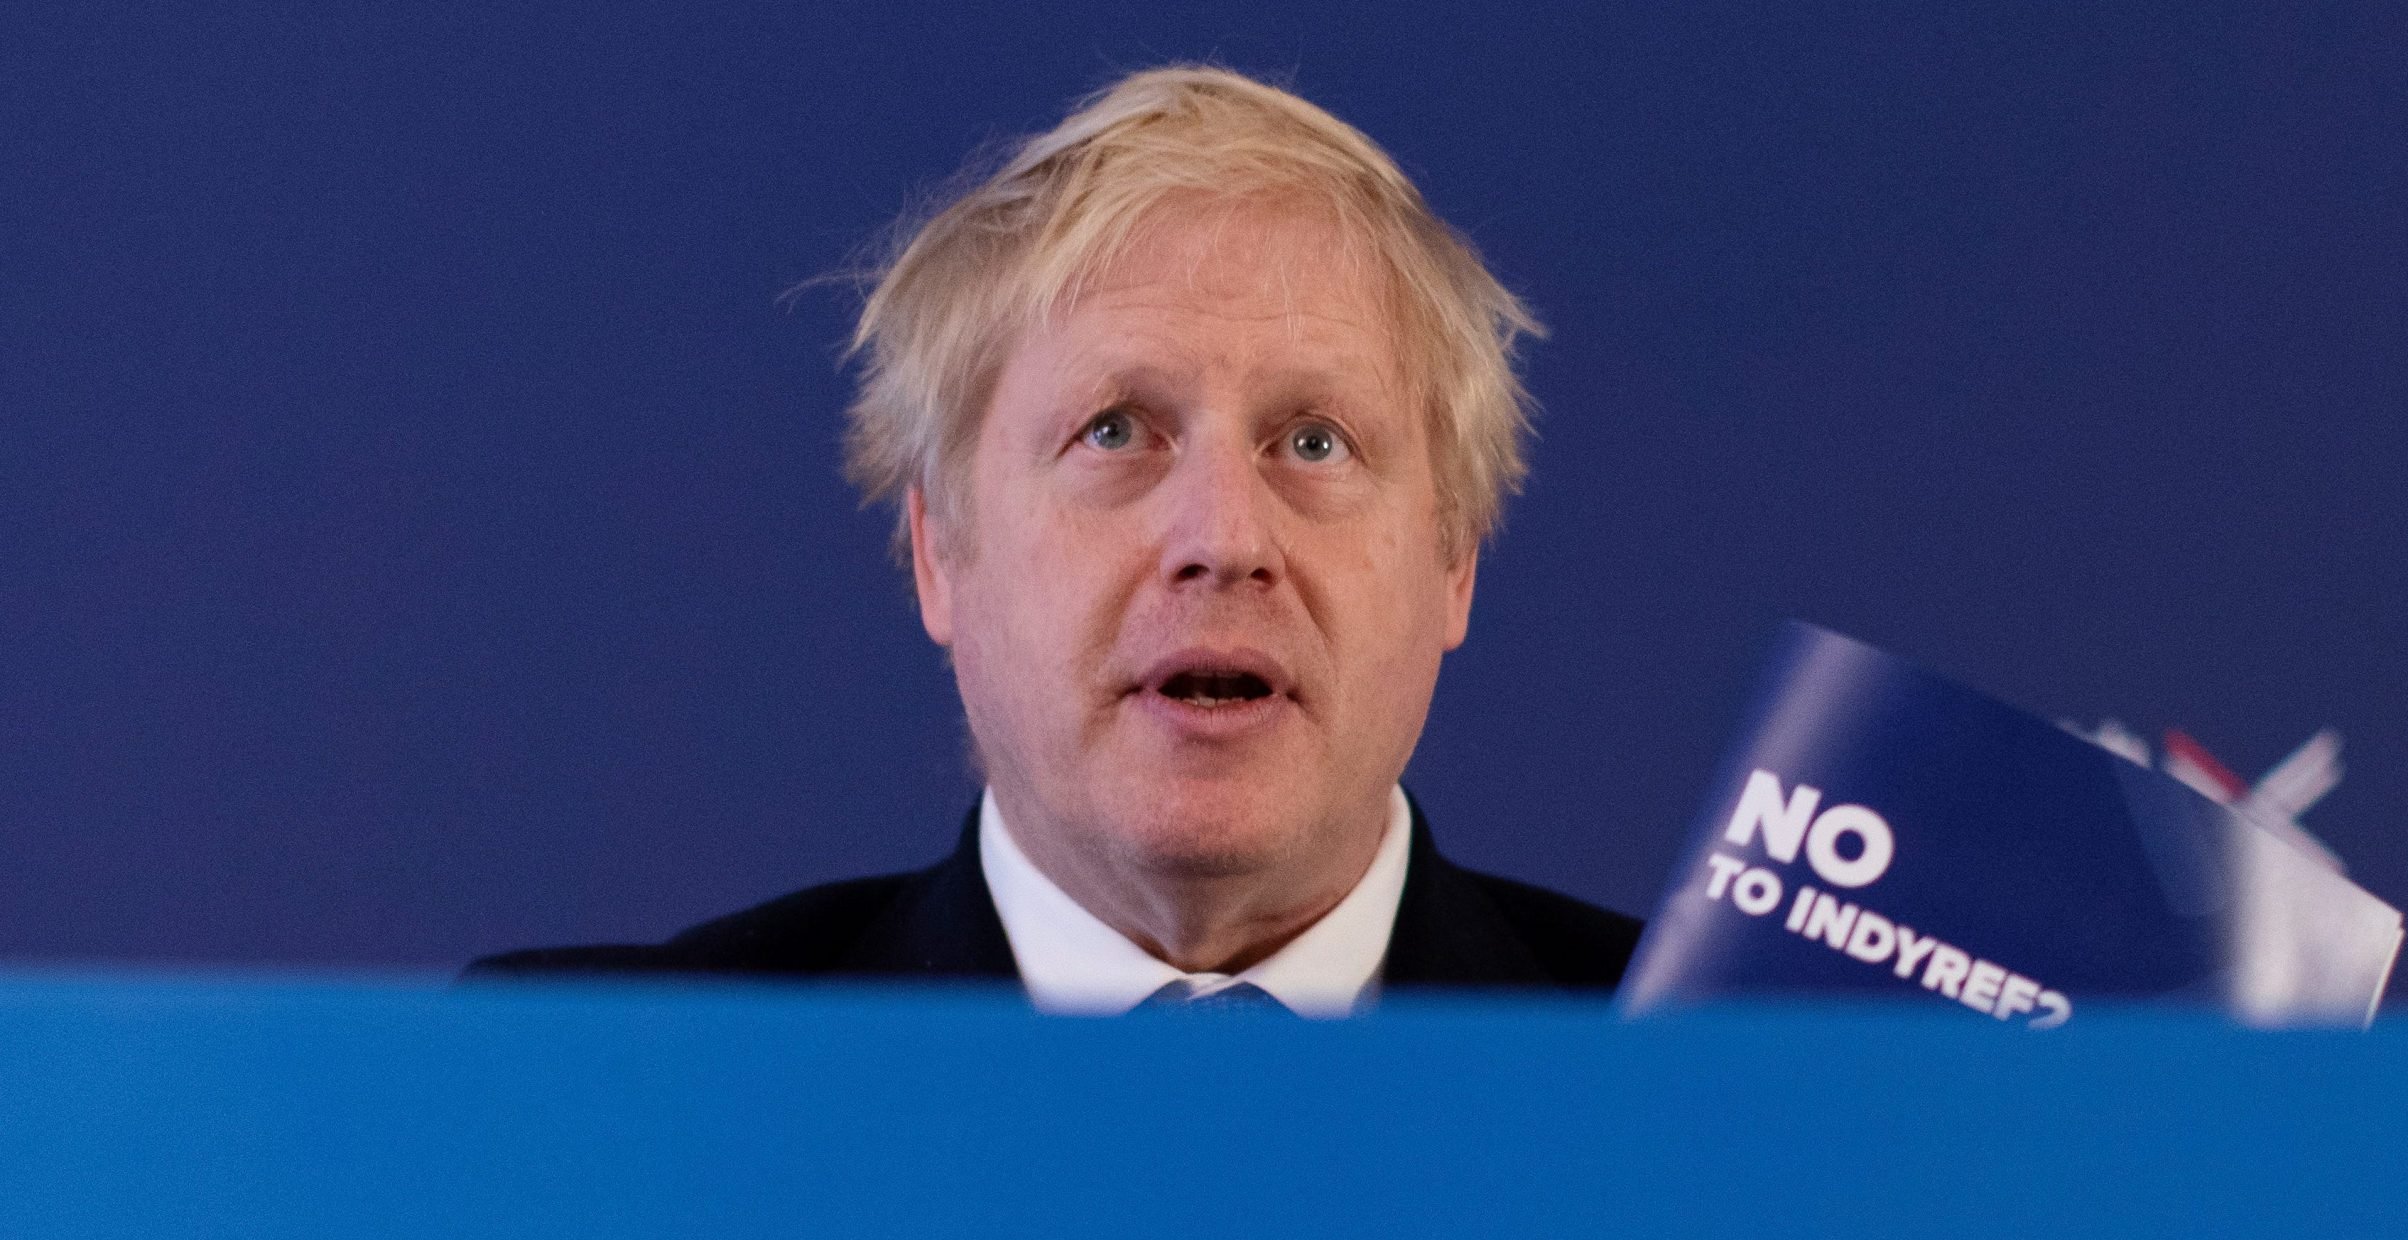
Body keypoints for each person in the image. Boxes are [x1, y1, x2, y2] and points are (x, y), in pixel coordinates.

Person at [468, 65, 1641, 1014]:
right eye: (1115, 430)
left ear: (1455, 560)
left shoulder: (1730, 1084)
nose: (1225, 536)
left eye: (1317, 443)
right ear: (940, 552)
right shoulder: (582, 1093)